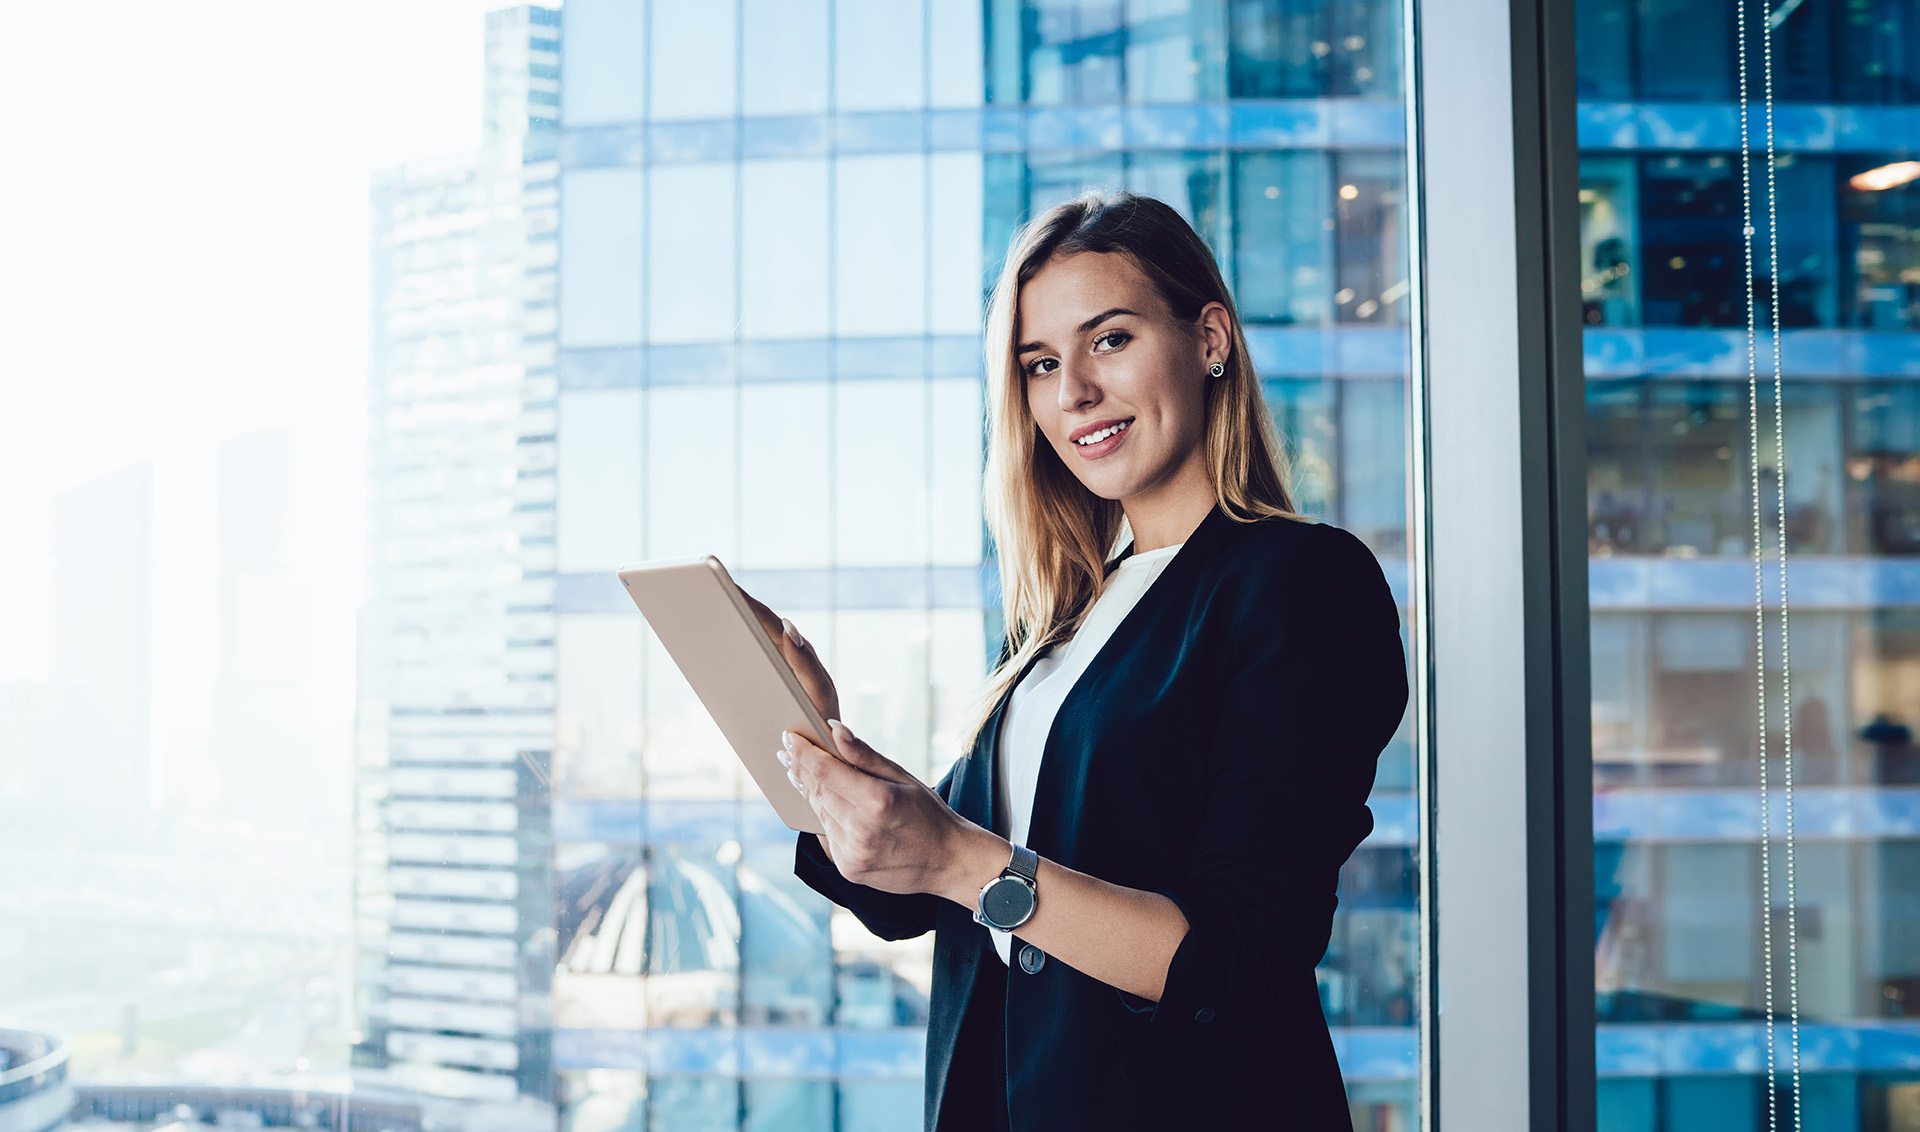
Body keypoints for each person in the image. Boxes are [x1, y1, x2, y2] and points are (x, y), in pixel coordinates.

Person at [736, 189, 1408, 1131]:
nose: (1072, 393)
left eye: (1111, 340)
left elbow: (1239, 961)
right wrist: (810, 742)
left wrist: (963, 860)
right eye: (1041, 363)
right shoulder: (1068, 615)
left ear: (1210, 337)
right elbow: (923, 897)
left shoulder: (1298, 583)